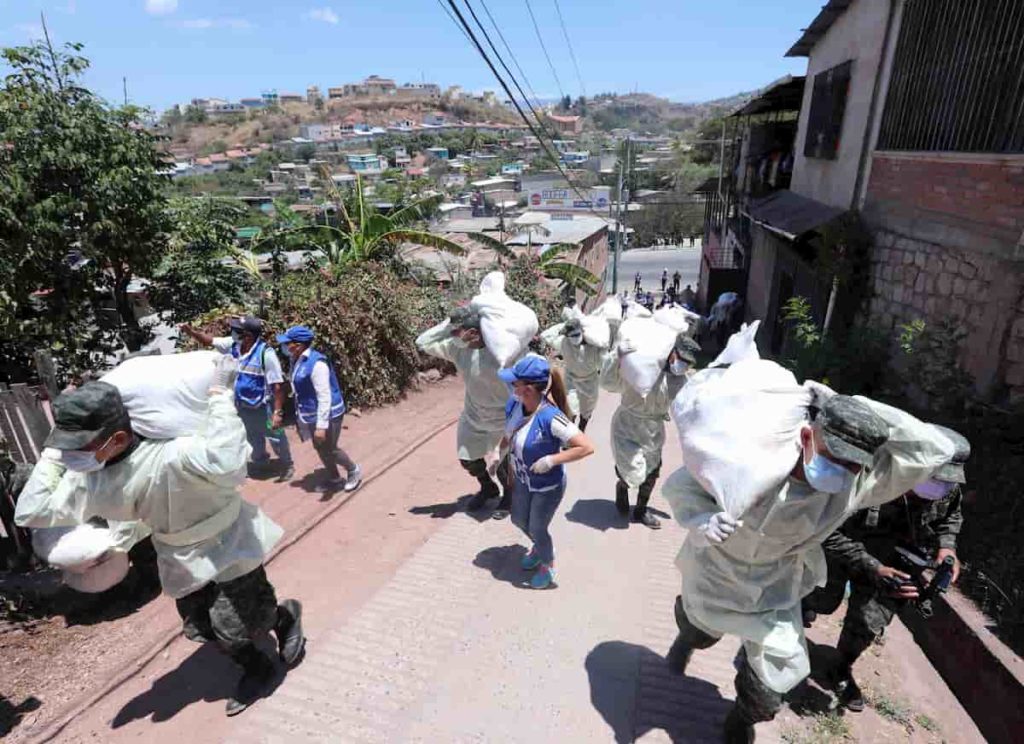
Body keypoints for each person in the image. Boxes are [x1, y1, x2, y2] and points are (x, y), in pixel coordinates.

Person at [662, 393, 955, 743]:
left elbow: (934, 449)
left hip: (774, 590)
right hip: (718, 573)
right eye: (836, 458)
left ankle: (743, 717)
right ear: (806, 436)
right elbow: (682, 485)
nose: (843, 472)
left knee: (775, 684)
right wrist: (702, 519)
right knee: (700, 632)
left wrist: (856, 406)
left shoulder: (852, 488)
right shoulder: (750, 457)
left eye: (853, 464)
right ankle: (688, 637)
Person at [15, 368, 305, 717]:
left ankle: (276, 633)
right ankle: (263, 635)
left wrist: (219, 399)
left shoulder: (174, 454)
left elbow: (229, 460)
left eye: (78, 448)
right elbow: (30, 511)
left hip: (228, 542)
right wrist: (51, 455)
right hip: (177, 554)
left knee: (235, 626)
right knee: (200, 624)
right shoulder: (92, 482)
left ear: (118, 439)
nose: (72, 457)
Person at [803, 425, 969, 712]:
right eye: (934, 476)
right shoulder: (868, 474)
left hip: (893, 563)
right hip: (842, 552)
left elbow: (950, 518)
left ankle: (840, 670)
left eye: (946, 480)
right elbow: (827, 532)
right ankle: (786, 630)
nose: (939, 486)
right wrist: (872, 566)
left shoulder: (946, 492)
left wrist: (947, 547)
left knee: (869, 621)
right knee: (821, 600)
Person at [498, 355, 594, 589]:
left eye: (515, 383)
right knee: (519, 520)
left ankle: (547, 563)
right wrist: (497, 452)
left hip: (547, 487)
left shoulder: (551, 417)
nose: (512, 386)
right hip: (522, 480)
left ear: (528, 388)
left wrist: (552, 460)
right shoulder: (515, 406)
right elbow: (509, 433)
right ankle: (540, 547)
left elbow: (586, 447)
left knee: (537, 527)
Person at [416, 307, 519, 517]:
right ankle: (488, 488)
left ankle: (509, 498)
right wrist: (449, 322)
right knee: (468, 459)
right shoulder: (459, 350)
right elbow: (422, 342)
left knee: (503, 465)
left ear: (473, 332)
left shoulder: (501, 353)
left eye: (457, 332)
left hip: (502, 419)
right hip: (474, 416)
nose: (452, 336)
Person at [600, 334, 700, 529]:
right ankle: (622, 487)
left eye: (688, 364)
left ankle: (640, 511)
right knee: (629, 469)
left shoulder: (678, 380)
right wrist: (616, 358)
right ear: (673, 354)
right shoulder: (640, 368)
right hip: (627, 426)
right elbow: (608, 383)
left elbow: (687, 405)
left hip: (653, 431)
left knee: (652, 472)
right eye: (682, 361)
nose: (683, 366)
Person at [181, 317, 293, 482]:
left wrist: (277, 412)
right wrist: (190, 331)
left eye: (237, 332)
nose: (233, 334)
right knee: (251, 436)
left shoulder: (265, 354)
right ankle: (261, 462)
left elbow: (277, 386)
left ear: (247, 335)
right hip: (243, 406)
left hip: (264, 408)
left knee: (275, 435)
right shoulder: (233, 345)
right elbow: (208, 341)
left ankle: (287, 464)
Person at [276, 326, 361, 496]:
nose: (284, 347)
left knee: (330, 448)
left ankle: (353, 470)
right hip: (311, 413)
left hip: (328, 413)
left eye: (287, 343)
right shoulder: (296, 359)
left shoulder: (317, 364)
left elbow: (324, 397)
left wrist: (321, 427)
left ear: (298, 345)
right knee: (319, 447)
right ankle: (334, 478)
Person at [540, 317, 603, 432]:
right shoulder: (564, 343)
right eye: (571, 335)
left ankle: (582, 429)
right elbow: (545, 336)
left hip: (589, 381)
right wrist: (565, 325)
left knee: (587, 409)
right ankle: (572, 434)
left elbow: (604, 358)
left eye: (576, 334)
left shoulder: (593, 347)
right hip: (571, 380)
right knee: (570, 408)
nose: (574, 339)